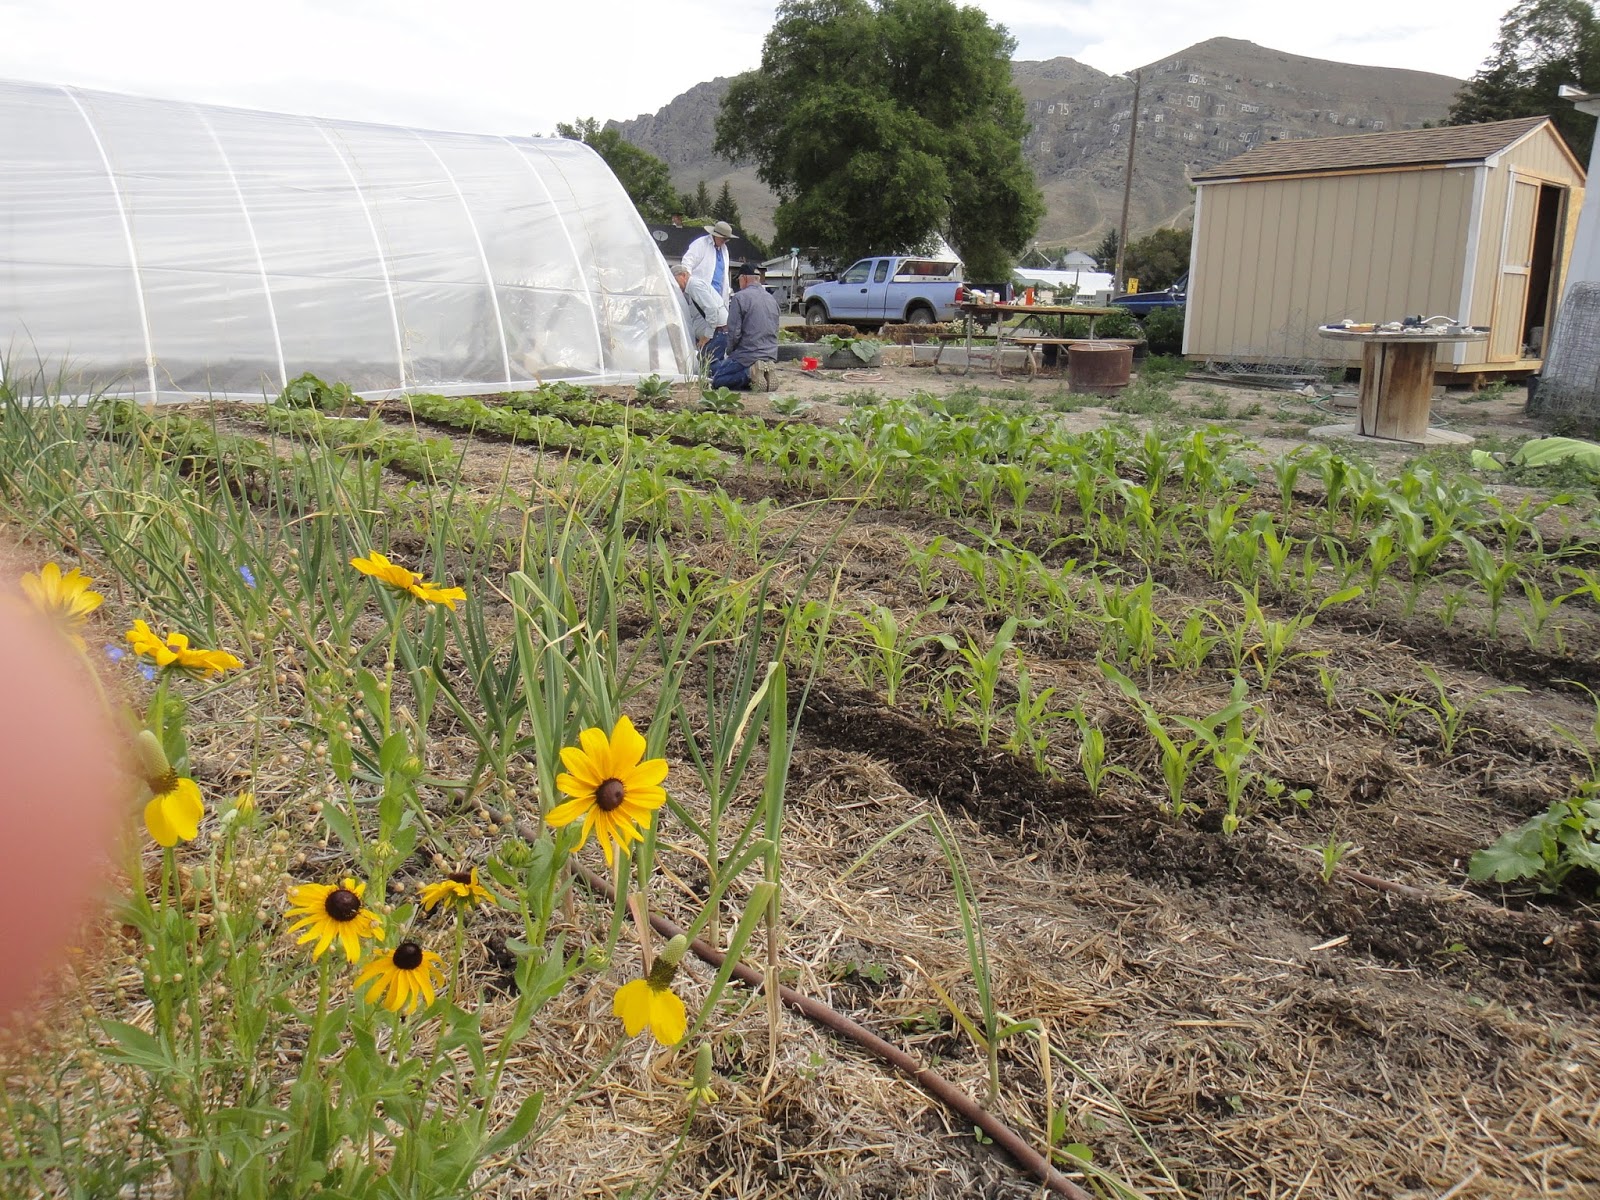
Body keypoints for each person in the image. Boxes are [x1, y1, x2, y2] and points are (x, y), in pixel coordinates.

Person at [709, 263, 779, 392]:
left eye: (739, 279)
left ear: (744, 278)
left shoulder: (739, 297)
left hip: (748, 354)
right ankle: (764, 372)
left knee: (718, 379)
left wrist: (729, 353)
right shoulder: (771, 299)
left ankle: (750, 373)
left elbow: (734, 332)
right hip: (770, 353)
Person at [670, 262, 728, 363]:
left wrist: (706, 336)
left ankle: (745, 375)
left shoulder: (694, 286)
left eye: (675, 280)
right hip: (716, 333)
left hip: (716, 333)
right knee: (708, 364)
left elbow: (712, 309)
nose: (675, 285)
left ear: (683, 275)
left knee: (709, 366)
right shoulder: (690, 289)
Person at [682, 219, 733, 305]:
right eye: (723, 239)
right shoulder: (701, 244)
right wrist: (689, 285)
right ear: (716, 235)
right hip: (700, 296)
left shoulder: (724, 250)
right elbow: (687, 263)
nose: (725, 241)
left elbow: (724, 277)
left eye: (727, 239)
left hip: (718, 298)